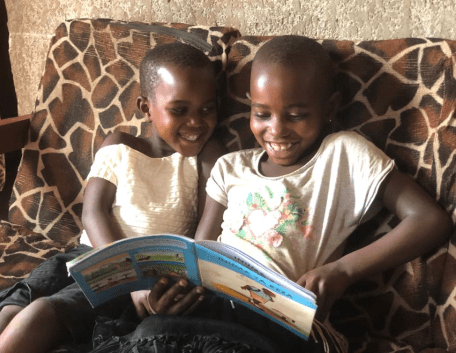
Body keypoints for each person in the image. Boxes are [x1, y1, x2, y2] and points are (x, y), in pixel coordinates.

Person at [193, 35, 453, 352]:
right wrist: (173, 294)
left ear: (328, 108)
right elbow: (197, 258)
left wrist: (342, 270)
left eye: (295, 115)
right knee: (153, 329)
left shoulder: (342, 154)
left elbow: (429, 220)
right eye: (262, 114)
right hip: (215, 314)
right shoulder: (229, 168)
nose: (276, 130)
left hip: (287, 325)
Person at [0, 42, 226, 353]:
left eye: (208, 108)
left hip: (145, 279)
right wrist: (127, 275)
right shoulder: (120, 145)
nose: (196, 122)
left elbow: (203, 242)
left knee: (44, 313)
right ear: (146, 107)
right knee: (12, 311)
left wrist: (138, 284)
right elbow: (94, 213)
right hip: (86, 257)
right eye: (179, 110)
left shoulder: (208, 157)